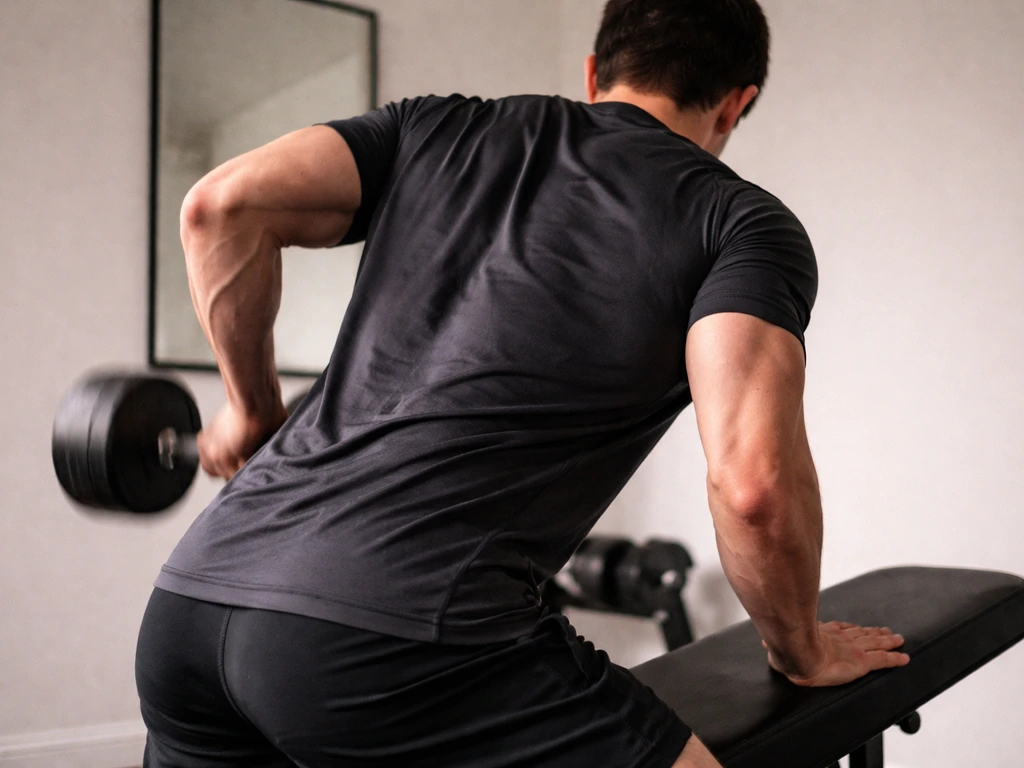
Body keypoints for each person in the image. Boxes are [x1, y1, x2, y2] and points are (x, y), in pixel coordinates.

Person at [135, 1, 910, 766]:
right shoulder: (738, 223)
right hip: (397, 637)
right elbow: (752, 489)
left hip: (191, 607)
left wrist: (250, 410)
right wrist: (802, 650)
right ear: (736, 105)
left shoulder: (435, 127)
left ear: (594, 73)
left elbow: (218, 207)